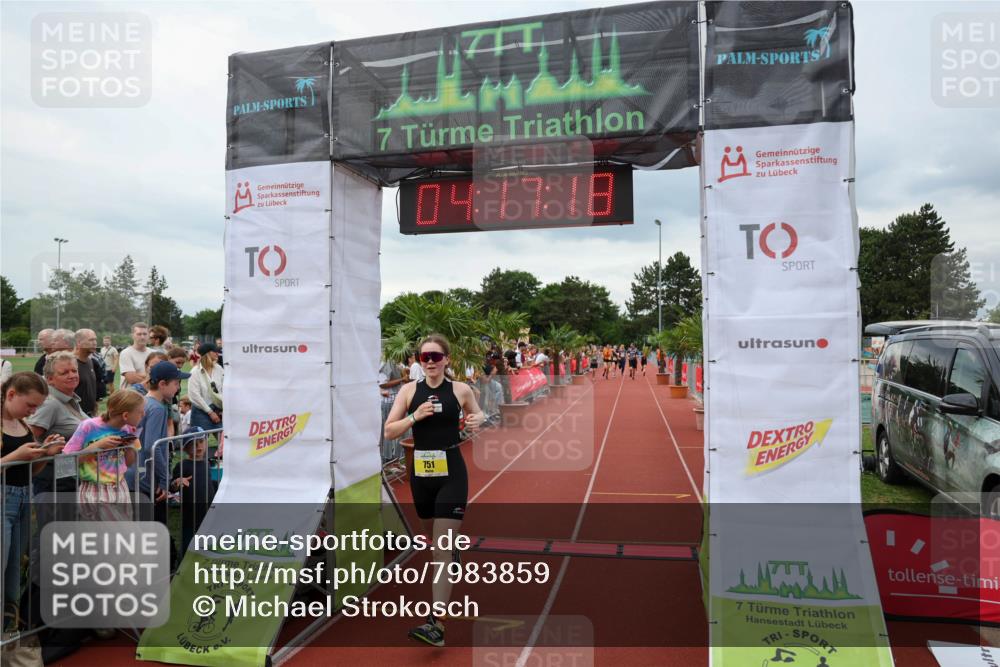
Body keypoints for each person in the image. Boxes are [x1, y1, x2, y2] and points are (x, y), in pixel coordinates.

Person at [383, 335, 484, 647]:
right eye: (424, 356)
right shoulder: (409, 391)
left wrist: (475, 419)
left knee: (440, 550)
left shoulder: (461, 390)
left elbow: (478, 414)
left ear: (447, 359)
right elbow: (389, 429)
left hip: (452, 471)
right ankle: (451, 553)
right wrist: (415, 416)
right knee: (432, 539)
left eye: (435, 356)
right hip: (421, 474)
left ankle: (436, 623)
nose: (429, 361)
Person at [1, 373, 65, 626]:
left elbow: (30, 470)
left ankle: (9, 630)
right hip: (4, 500)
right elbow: (14, 461)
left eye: (37, 407)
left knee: (15, 571)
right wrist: (15, 456)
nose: (33, 411)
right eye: (30, 405)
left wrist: (45, 454)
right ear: (11, 394)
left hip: (23, 499)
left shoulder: (23, 425)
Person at [128, 361, 188, 565]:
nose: (178, 388)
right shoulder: (158, 408)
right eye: (176, 383)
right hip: (147, 478)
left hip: (134, 473)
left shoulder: (144, 403)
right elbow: (153, 447)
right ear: (162, 384)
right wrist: (164, 480)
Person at [62, 389, 143, 522]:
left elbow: (128, 463)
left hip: (120, 486)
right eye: (140, 412)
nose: (143, 414)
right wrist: (97, 446)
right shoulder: (89, 426)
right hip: (94, 489)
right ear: (126, 415)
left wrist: (131, 445)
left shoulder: (127, 428)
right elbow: (65, 463)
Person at [26, 351, 85, 495]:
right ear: (50, 379)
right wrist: (46, 451)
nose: (72, 375)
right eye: (64, 372)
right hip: (53, 480)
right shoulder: (49, 403)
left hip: (69, 476)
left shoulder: (70, 399)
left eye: (74, 370)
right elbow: (28, 438)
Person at [171, 427, 217, 556]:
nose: (199, 447)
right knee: (189, 539)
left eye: (201, 442)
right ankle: (183, 564)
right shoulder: (183, 465)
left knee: (208, 538)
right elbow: (172, 487)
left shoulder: (207, 463)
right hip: (190, 512)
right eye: (193, 444)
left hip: (208, 508)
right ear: (185, 448)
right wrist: (177, 482)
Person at [188, 343, 223, 434]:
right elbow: (194, 395)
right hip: (201, 412)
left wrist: (222, 408)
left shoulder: (219, 369)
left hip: (218, 410)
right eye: (214, 351)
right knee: (200, 443)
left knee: (223, 440)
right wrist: (210, 412)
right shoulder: (195, 372)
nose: (217, 353)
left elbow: (223, 389)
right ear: (207, 353)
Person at [73, 328, 103, 416]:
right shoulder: (71, 363)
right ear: (79, 343)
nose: (95, 343)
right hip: (75, 416)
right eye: (91, 340)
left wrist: (94, 404)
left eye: (95, 339)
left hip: (89, 414)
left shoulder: (90, 361)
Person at [119, 322, 152, 389]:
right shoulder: (126, 353)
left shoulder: (154, 353)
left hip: (148, 397)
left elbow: (160, 375)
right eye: (139, 334)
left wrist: (137, 374)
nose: (142, 337)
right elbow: (131, 378)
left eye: (145, 334)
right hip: (130, 396)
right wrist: (151, 380)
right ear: (132, 335)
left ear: (148, 335)